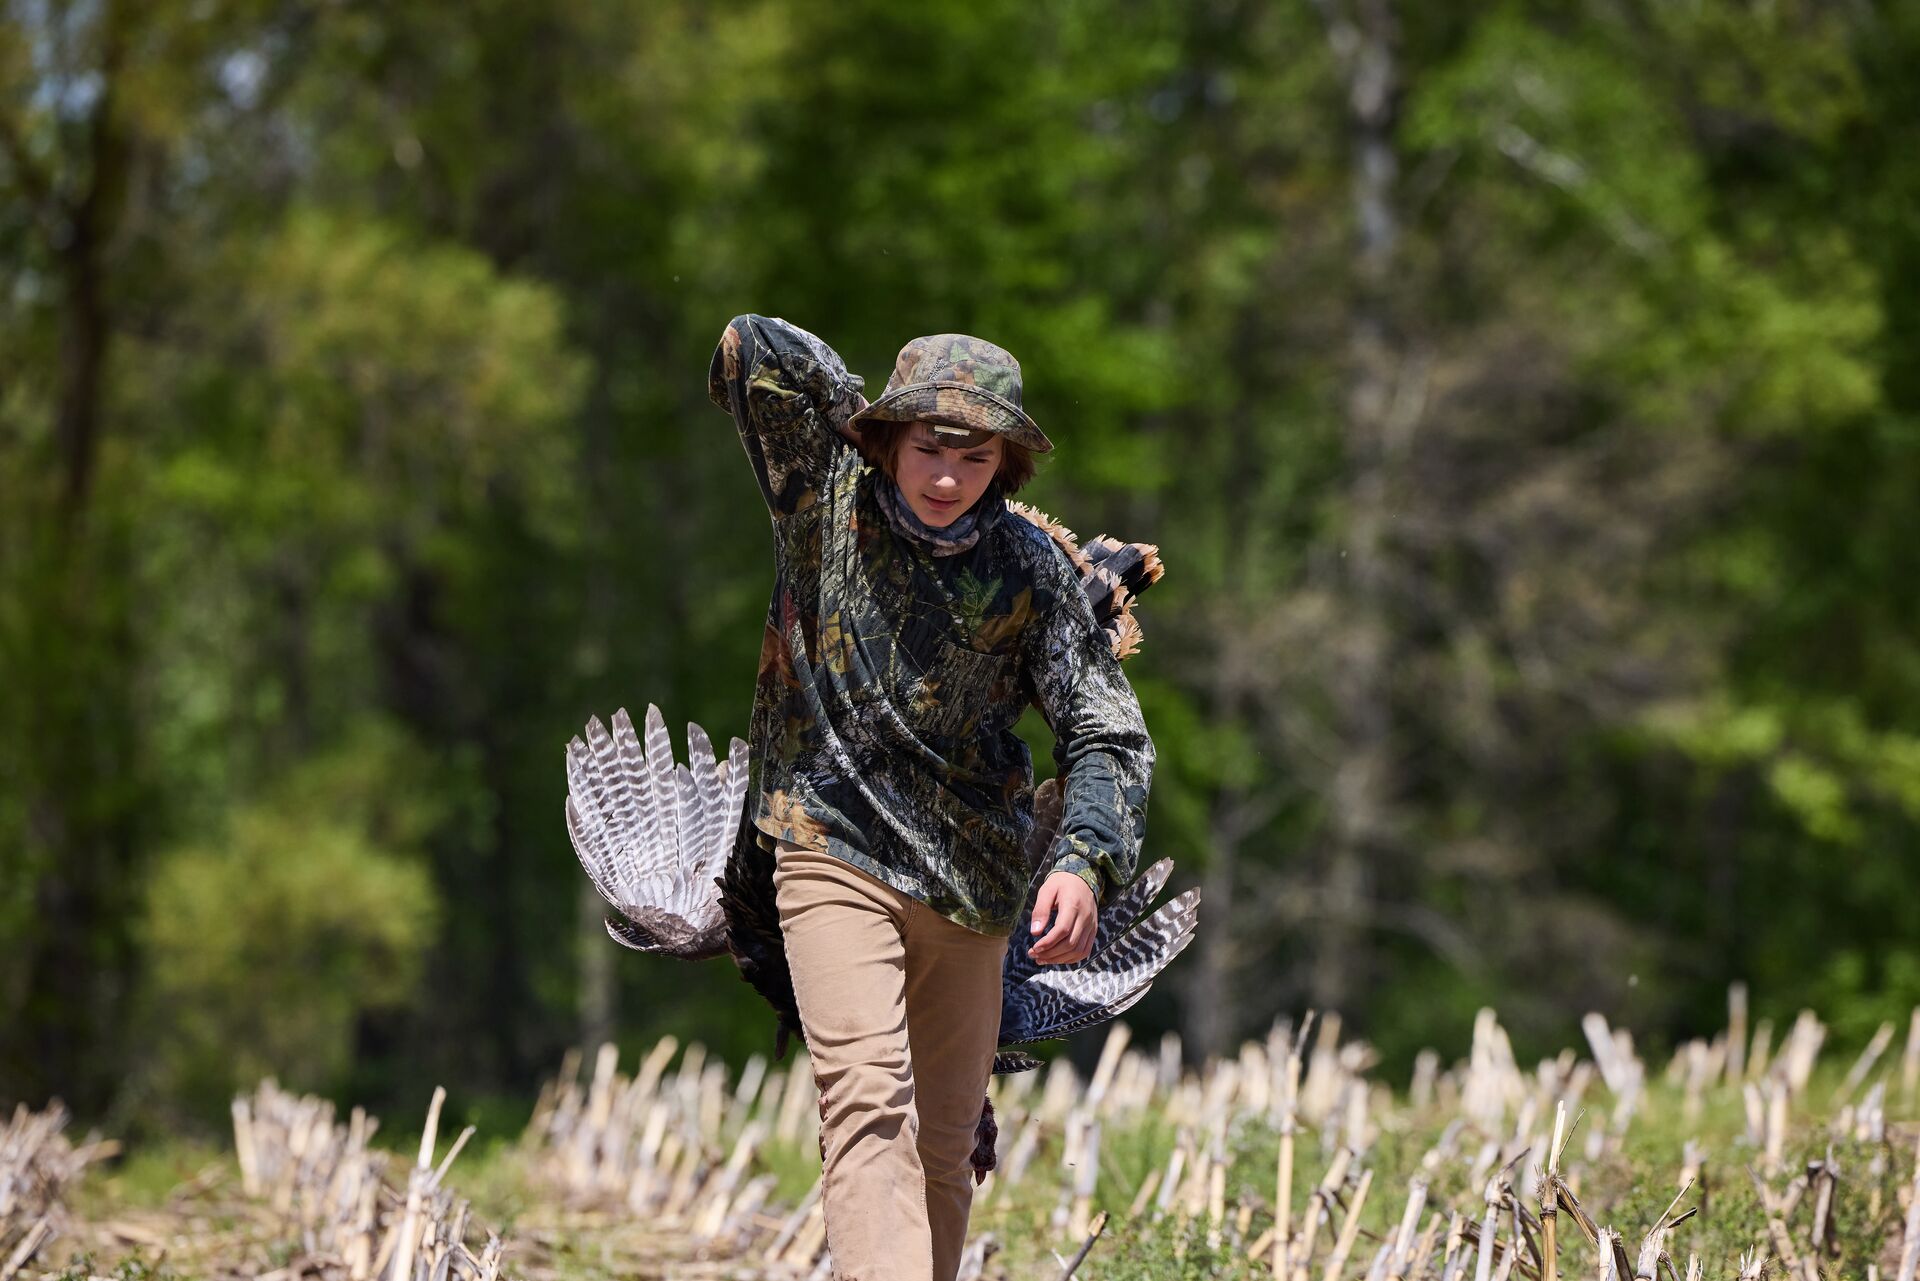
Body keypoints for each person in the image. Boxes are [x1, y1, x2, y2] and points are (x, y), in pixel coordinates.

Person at [707, 314, 1153, 1281]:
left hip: (974, 882)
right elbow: (753, 347)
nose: (947, 475)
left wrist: (1081, 858)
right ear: (887, 440)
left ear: (1007, 462)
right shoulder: (821, 501)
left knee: (945, 1148)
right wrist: (854, 403)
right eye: (926, 447)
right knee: (866, 1102)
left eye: (974, 454)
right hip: (831, 845)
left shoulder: (1033, 572)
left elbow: (1109, 732)